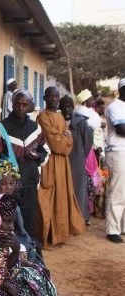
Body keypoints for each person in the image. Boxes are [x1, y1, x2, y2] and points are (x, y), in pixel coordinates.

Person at [0, 90, 47, 242]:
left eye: (24, 104)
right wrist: (9, 179)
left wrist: (37, 156)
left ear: (30, 106)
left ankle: (29, 251)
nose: (20, 107)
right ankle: (13, 253)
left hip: (30, 183)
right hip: (8, 187)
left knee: (29, 222)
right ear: (12, 104)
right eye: (17, 104)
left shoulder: (35, 128)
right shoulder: (0, 129)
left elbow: (44, 151)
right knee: (10, 223)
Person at [36, 87, 86, 247]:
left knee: (62, 197)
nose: (54, 99)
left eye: (56, 96)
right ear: (44, 98)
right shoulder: (42, 117)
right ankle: (49, 234)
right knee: (48, 198)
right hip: (50, 162)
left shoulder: (60, 116)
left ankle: (61, 233)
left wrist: (63, 138)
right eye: (51, 96)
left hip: (63, 164)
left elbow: (68, 142)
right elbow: (55, 143)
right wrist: (63, 137)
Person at [64, 95, 94, 227]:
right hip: (62, 162)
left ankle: (80, 218)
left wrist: (80, 156)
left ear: (73, 107)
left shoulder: (81, 122)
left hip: (77, 160)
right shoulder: (58, 120)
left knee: (79, 190)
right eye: (63, 107)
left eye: (69, 107)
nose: (66, 110)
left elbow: (88, 143)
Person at [104, 78, 125, 243]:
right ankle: (112, 229)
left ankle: (122, 226)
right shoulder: (115, 106)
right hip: (118, 151)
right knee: (117, 191)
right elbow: (121, 129)